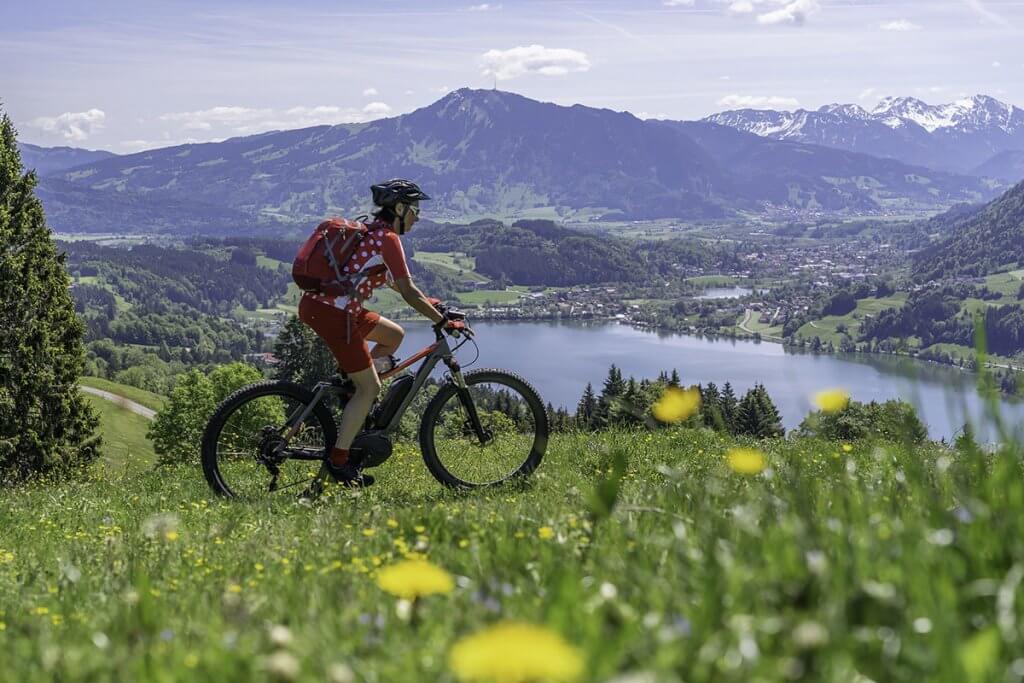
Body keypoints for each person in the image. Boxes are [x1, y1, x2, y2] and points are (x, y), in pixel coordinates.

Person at [297, 179, 462, 487]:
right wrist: (440, 321)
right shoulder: (386, 238)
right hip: (336, 314)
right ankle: (340, 460)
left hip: (329, 308)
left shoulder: (372, 234)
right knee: (370, 388)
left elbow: (396, 285)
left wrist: (436, 306)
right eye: (414, 210)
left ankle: (351, 390)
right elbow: (409, 291)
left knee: (393, 335)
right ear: (399, 208)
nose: (418, 217)